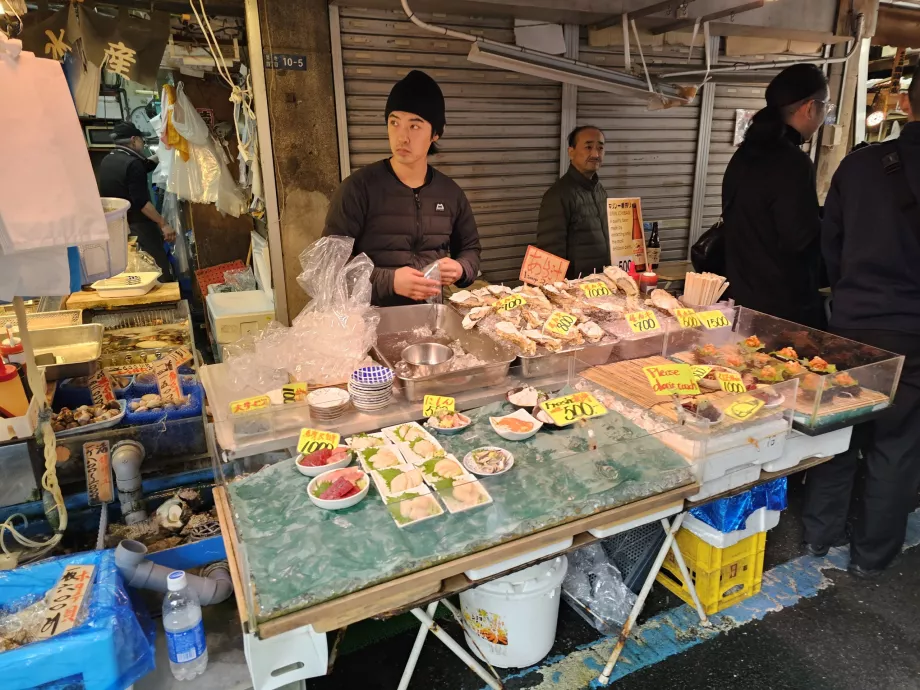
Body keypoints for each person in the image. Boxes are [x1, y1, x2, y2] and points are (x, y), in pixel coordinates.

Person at [803, 79, 920, 578]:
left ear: (907, 101)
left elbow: (832, 247)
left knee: (838, 432)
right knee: (898, 446)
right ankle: (872, 557)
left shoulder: (862, 165)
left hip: (853, 326)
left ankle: (818, 535)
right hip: (916, 334)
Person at [322, 70, 480, 307]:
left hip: (430, 319)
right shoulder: (358, 188)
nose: (402, 137)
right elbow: (330, 266)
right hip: (369, 324)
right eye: (394, 122)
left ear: (435, 133)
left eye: (415, 126)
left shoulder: (451, 193)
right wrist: (390, 281)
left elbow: (470, 249)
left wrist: (461, 268)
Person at [721, 64, 830, 327]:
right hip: (781, 311)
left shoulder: (744, 154)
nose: (826, 113)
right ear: (809, 107)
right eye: (826, 105)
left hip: (740, 299)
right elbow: (799, 240)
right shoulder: (793, 162)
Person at [96, 122, 175, 280]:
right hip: (140, 228)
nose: (142, 144)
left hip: (117, 227)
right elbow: (141, 202)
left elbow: (140, 169)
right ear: (133, 140)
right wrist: (163, 224)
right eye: (141, 140)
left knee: (134, 270)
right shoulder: (133, 164)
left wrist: (162, 154)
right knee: (157, 269)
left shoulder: (108, 160)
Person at [536, 126, 610, 279]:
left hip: (601, 284)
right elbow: (550, 254)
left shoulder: (600, 190)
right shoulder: (558, 195)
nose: (595, 154)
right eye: (588, 147)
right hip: (576, 288)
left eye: (600, 148)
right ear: (571, 152)